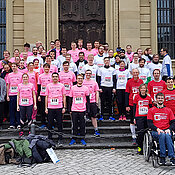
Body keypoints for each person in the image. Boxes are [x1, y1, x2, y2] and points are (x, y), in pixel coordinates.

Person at [147, 92, 175, 165]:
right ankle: (162, 157)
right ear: (156, 99)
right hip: (156, 130)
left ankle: (172, 157)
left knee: (167, 135)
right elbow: (149, 123)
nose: (160, 99)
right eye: (159, 98)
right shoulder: (151, 110)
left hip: (166, 130)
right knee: (162, 135)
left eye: (161, 98)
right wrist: (157, 129)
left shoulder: (168, 110)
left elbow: (173, 122)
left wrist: (169, 129)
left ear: (164, 99)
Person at [45, 72, 66, 145]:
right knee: (50, 123)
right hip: (50, 107)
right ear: (51, 77)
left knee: (59, 123)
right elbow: (46, 97)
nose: (55, 78)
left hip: (59, 107)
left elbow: (64, 96)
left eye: (56, 76)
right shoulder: (48, 86)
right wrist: (46, 108)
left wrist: (64, 107)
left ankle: (60, 138)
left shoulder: (61, 86)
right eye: (53, 76)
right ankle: (49, 138)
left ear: (58, 77)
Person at [69, 74, 90, 146]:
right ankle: (74, 138)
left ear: (83, 79)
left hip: (82, 109)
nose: (80, 80)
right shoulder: (73, 88)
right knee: (74, 125)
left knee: (82, 125)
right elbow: (70, 99)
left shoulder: (86, 88)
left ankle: (82, 138)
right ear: (76, 80)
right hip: (74, 109)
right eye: (78, 78)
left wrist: (88, 109)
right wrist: (69, 109)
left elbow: (88, 100)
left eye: (81, 78)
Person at [125, 68, 143, 144]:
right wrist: (127, 105)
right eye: (134, 72)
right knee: (132, 120)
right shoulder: (129, 82)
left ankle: (140, 135)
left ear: (138, 73)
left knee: (139, 120)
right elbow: (127, 93)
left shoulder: (141, 81)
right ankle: (133, 136)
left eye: (136, 72)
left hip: (140, 104)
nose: (135, 74)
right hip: (131, 103)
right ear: (132, 73)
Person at [133, 84, 152, 154]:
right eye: (142, 88)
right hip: (139, 117)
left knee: (147, 132)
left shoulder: (149, 97)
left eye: (144, 88)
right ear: (139, 89)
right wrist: (134, 118)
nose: (143, 90)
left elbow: (150, 108)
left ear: (146, 89)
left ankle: (147, 148)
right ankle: (140, 147)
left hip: (147, 117)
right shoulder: (136, 97)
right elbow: (134, 108)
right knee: (140, 132)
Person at [83, 69, 100, 136]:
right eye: (87, 73)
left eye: (89, 73)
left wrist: (97, 101)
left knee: (94, 116)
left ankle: (96, 130)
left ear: (91, 74)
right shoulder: (83, 82)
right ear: (85, 74)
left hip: (92, 101)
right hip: (84, 102)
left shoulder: (94, 82)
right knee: (83, 117)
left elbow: (97, 92)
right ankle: (82, 131)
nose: (88, 74)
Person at [6, 63, 22, 129]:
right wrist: (7, 95)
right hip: (11, 94)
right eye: (12, 66)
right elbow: (8, 85)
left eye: (14, 66)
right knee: (11, 110)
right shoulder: (9, 75)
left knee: (18, 109)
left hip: (18, 95)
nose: (13, 67)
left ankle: (18, 123)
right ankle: (12, 124)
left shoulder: (20, 74)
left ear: (17, 67)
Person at [38, 63, 52, 128]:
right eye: (45, 67)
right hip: (42, 94)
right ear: (43, 68)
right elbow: (39, 86)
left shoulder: (52, 75)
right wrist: (39, 95)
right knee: (42, 109)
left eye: (47, 67)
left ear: (49, 68)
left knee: (50, 109)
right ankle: (43, 123)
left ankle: (50, 123)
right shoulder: (40, 76)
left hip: (50, 95)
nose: (46, 69)